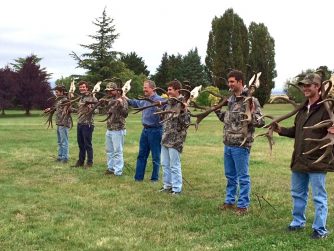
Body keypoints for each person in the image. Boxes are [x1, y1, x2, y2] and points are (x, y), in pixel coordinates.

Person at [273, 73, 333, 239]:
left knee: (319, 197)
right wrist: (281, 130)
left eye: (309, 85)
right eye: (304, 85)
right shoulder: (302, 109)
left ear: (317, 87)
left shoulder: (327, 109)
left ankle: (320, 229)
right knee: (297, 193)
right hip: (299, 158)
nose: (305, 88)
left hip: (317, 160)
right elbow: (296, 131)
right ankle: (297, 222)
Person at [215, 70, 264, 215]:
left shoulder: (251, 100)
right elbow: (227, 119)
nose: (229, 84)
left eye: (232, 82)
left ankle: (243, 205)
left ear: (240, 82)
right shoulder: (230, 100)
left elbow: (261, 121)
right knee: (230, 176)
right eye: (228, 82)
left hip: (241, 145)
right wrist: (216, 110)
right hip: (228, 143)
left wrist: (252, 116)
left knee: (243, 177)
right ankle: (230, 201)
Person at [126, 80, 165, 182]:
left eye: (145, 88)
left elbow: (168, 109)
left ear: (152, 88)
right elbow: (134, 102)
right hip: (145, 131)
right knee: (141, 155)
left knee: (156, 156)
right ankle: (138, 178)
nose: (144, 90)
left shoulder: (159, 100)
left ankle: (154, 179)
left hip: (156, 131)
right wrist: (123, 97)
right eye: (143, 88)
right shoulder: (144, 100)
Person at [159, 79, 190, 195]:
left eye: (170, 90)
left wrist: (184, 111)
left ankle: (177, 189)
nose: (168, 92)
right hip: (165, 138)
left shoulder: (183, 104)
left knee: (174, 165)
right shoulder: (169, 103)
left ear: (178, 90)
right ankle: (167, 185)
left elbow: (186, 123)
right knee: (165, 164)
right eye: (168, 89)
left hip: (175, 140)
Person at [104, 82, 128, 176]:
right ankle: (111, 168)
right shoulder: (109, 100)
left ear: (116, 90)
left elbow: (125, 114)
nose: (109, 92)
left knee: (117, 151)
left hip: (118, 129)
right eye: (108, 90)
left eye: (111, 90)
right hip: (109, 128)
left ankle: (118, 171)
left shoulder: (123, 100)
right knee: (109, 150)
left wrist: (121, 104)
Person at [72, 81, 98, 168]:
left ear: (87, 88)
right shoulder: (81, 98)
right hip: (80, 123)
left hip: (88, 124)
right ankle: (80, 161)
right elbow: (79, 110)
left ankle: (90, 162)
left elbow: (97, 111)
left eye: (83, 87)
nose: (81, 88)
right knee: (80, 144)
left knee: (87, 144)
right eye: (80, 87)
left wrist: (91, 108)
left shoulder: (92, 98)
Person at [44, 85, 72, 163]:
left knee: (64, 142)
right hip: (59, 123)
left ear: (62, 92)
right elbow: (56, 108)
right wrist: (49, 109)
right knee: (59, 142)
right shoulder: (58, 100)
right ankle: (60, 156)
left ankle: (65, 158)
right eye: (55, 92)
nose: (55, 93)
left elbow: (69, 109)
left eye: (57, 92)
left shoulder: (66, 100)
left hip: (64, 123)